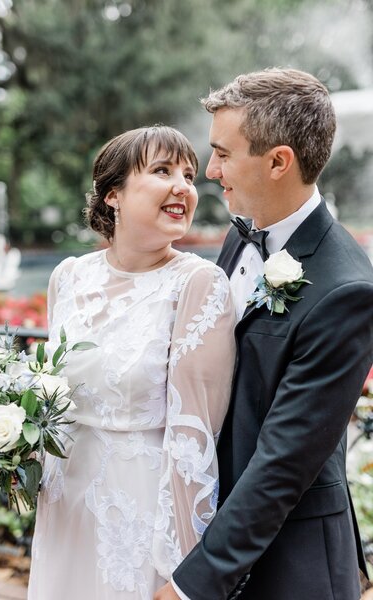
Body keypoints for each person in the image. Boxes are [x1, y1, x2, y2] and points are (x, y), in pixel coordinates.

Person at [155, 69, 373, 600]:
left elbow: (282, 463)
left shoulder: (346, 290)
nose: (210, 171)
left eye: (224, 154)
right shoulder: (240, 237)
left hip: (289, 565)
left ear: (279, 162)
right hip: (210, 527)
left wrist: (191, 586)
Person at [27, 125, 237, 599]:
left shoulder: (198, 284)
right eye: (162, 171)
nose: (183, 186)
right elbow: (51, 397)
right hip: (63, 507)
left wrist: (185, 573)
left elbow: (195, 438)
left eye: (187, 173)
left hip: (139, 518)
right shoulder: (68, 276)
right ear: (113, 195)